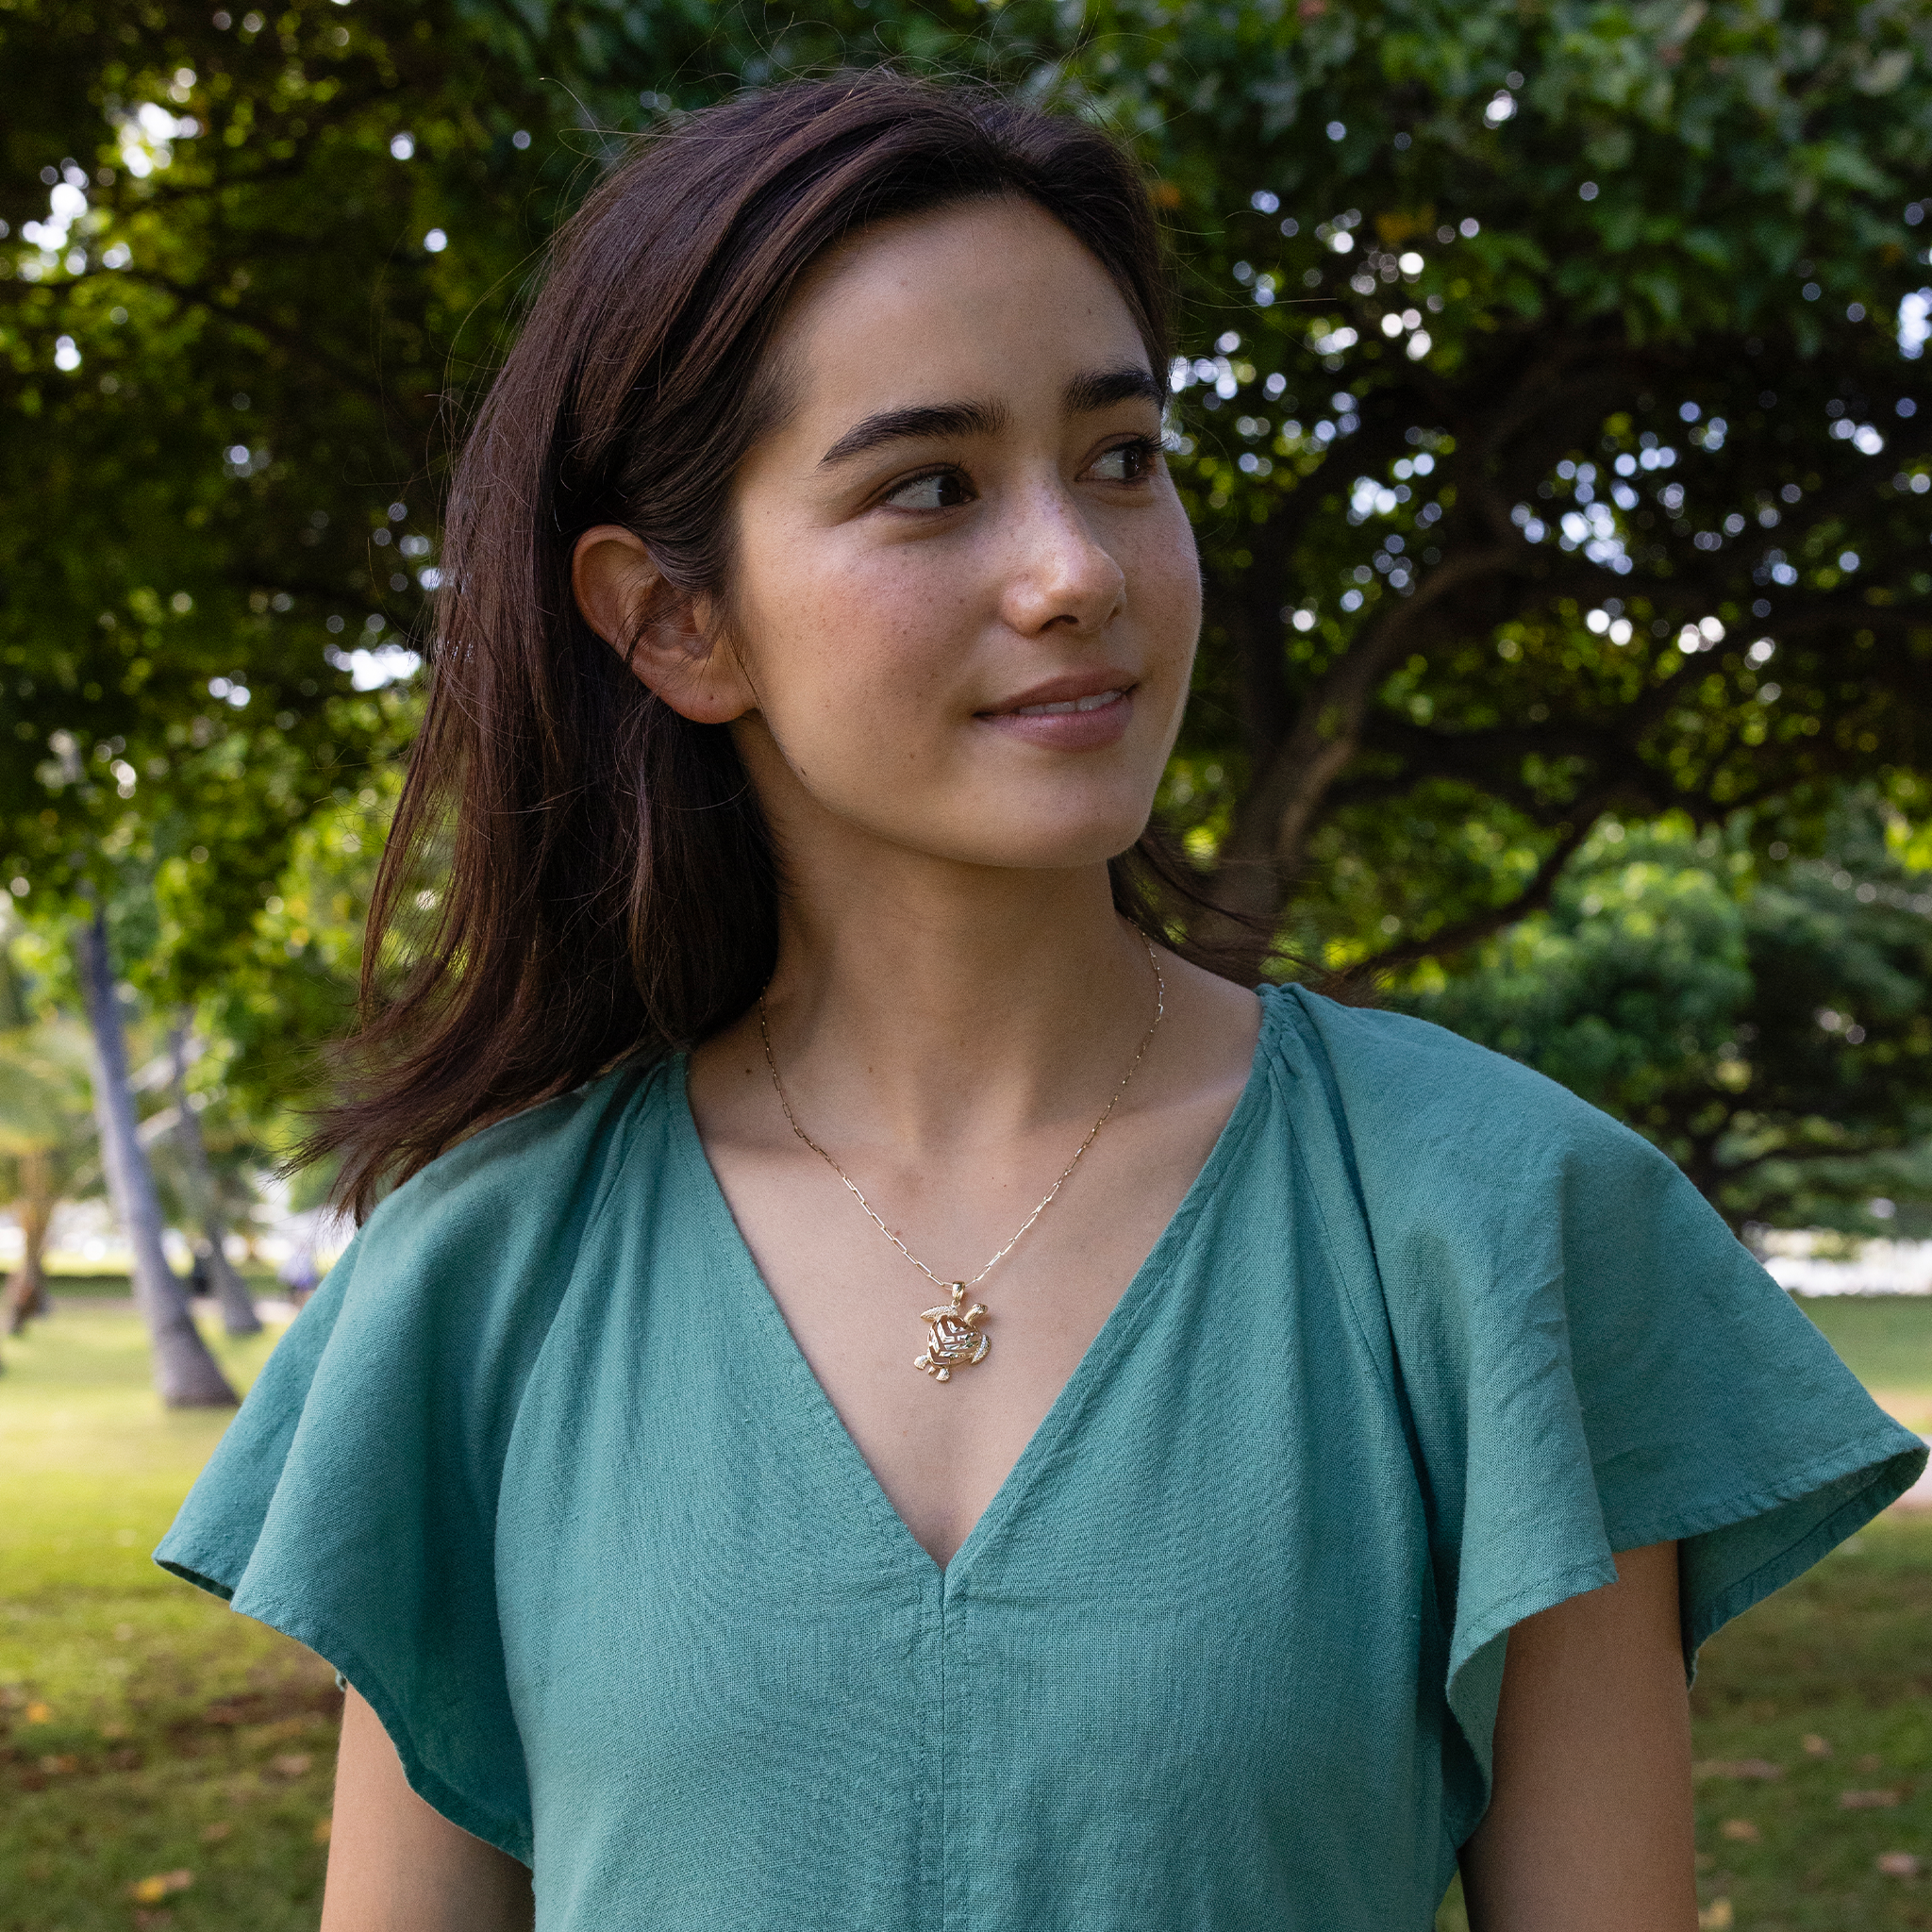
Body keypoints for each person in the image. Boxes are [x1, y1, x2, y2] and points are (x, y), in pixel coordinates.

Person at [156, 72, 1924, 1932]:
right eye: (929, 485)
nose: (1077, 571)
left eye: (1122, 456)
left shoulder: (1497, 1227)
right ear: (678, 621)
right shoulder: (481, 1286)